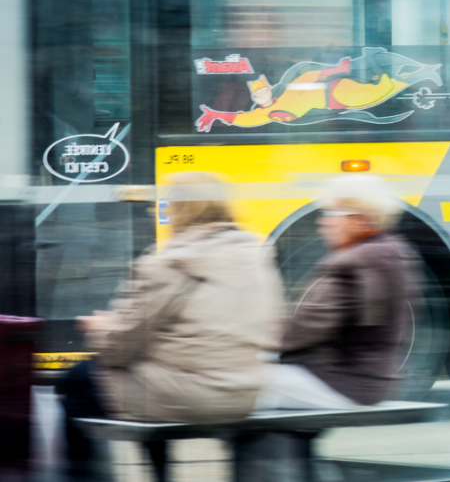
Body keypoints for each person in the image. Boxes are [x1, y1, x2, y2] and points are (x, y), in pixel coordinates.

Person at [58, 172, 283, 481]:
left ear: (179, 209)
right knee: (150, 371)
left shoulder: (168, 263)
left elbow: (118, 348)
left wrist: (99, 327)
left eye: (166, 207)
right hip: (245, 393)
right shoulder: (256, 255)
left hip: (189, 398)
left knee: (78, 379)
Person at [254, 174, 423, 411]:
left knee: (236, 386)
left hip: (343, 382)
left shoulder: (355, 261)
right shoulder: (393, 251)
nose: (322, 222)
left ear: (362, 219)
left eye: (332, 213)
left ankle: (278, 450)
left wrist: (247, 340)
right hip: (370, 381)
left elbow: (306, 327)